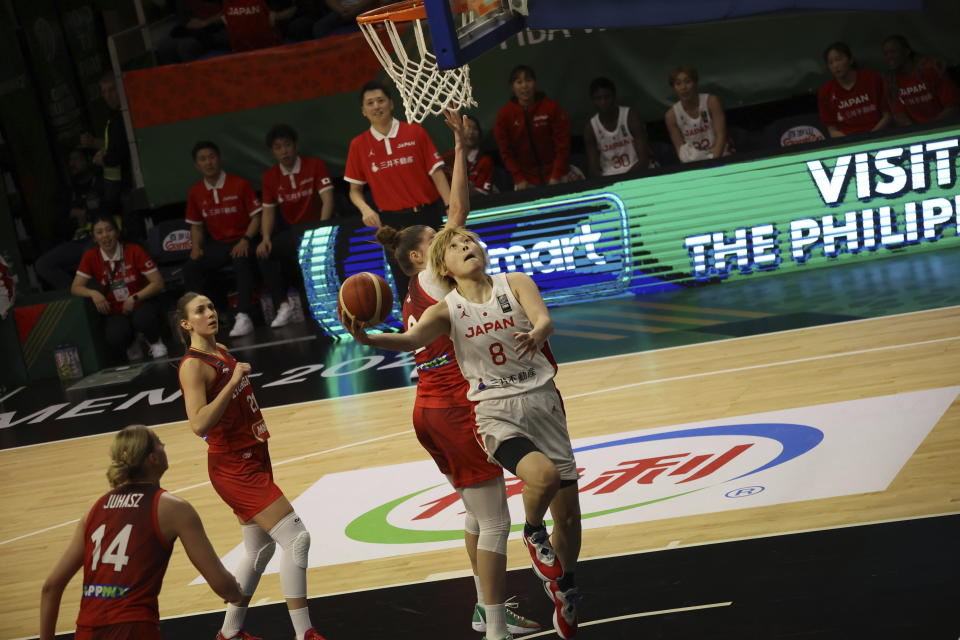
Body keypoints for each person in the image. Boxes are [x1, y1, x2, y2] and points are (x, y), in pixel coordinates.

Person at [342, 229, 583, 639]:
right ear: (443, 267)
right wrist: (367, 338)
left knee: (570, 516)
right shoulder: (447, 308)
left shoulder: (517, 282)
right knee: (539, 479)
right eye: (454, 246)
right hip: (496, 413)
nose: (465, 246)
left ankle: (565, 589)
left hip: (543, 402)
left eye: (469, 240)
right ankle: (532, 532)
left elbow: (543, 318)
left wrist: (540, 331)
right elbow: (411, 339)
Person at [374, 110, 540, 640]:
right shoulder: (432, 274)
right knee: (495, 519)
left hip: (428, 409)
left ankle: (482, 605)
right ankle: (494, 624)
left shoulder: (417, 291)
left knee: (476, 511)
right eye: (441, 239)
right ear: (424, 255)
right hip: (455, 406)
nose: (454, 238)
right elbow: (459, 207)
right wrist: (458, 146)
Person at [176, 291, 325, 640]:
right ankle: (304, 633)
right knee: (297, 538)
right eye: (200, 310)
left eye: (211, 306)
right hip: (234, 466)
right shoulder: (193, 365)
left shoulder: (221, 351)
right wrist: (230, 383)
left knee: (259, 548)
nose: (209, 313)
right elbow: (198, 424)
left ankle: (229, 633)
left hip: (255, 455)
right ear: (186, 324)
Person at [39, 425, 243, 640]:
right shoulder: (173, 509)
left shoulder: (94, 509)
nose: (164, 445)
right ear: (152, 458)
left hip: (86, 630)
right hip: (133, 629)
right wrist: (234, 592)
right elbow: (221, 584)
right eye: (158, 442)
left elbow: (50, 587)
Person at [344, 81, 450, 299]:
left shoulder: (415, 132)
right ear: (363, 111)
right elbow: (354, 191)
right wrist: (365, 209)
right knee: (406, 283)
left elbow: (437, 174)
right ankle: (417, 329)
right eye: (370, 103)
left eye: (380, 100)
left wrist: (450, 206)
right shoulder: (358, 145)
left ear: (391, 103)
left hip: (427, 215)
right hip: (392, 223)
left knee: (444, 272)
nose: (376, 106)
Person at [257, 124, 333, 328]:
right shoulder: (269, 177)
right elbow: (268, 211)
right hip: (293, 232)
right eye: (278, 147)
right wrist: (265, 238)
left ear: (295, 146)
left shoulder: (315, 165)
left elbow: (327, 199)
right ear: (273, 152)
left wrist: (323, 229)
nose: (284, 151)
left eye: (287, 145)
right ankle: (283, 305)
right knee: (265, 253)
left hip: (318, 228)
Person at [183, 141, 262, 338]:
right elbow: (196, 226)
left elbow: (256, 217)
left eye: (211, 157)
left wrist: (245, 239)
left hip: (242, 239)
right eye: (203, 159)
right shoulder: (195, 192)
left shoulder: (240, 184)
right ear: (197, 165)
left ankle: (244, 315)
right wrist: (196, 248)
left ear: (218, 159)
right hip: (217, 244)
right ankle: (206, 318)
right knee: (192, 267)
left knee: (241, 260)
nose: (208, 162)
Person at [71, 213, 168, 361]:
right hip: (115, 309)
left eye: (109, 230)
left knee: (144, 319)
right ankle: (131, 343)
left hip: (141, 302)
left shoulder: (134, 250)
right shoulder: (91, 256)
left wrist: (135, 297)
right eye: (99, 232)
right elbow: (75, 288)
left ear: (117, 232)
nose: (105, 235)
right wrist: (93, 294)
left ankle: (155, 341)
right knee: (115, 335)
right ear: (94, 237)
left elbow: (158, 283)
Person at [493, 65, 583, 190]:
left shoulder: (551, 107)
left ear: (535, 83)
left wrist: (556, 176)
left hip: (558, 174)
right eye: (519, 82)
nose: (524, 86)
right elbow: (505, 152)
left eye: (528, 80)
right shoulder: (505, 114)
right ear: (512, 87)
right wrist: (519, 178)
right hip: (525, 181)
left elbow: (563, 145)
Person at [81, 72, 138, 240]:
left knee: (134, 233)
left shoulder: (124, 116)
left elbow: (117, 154)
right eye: (104, 91)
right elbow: (117, 145)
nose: (107, 95)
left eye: (111, 90)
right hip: (122, 187)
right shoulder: (116, 117)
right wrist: (94, 143)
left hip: (129, 184)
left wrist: (102, 159)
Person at [35, 149, 102, 290]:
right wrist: (73, 215)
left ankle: (100, 301)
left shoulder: (99, 181)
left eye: (76, 159)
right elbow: (59, 220)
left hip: (99, 237)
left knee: (88, 256)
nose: (72, 164)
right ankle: (80, 298)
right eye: (70, 161)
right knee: (42, 264)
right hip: (77, 241)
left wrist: (86, 214)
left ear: (87, 160)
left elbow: (110, 207)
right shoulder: (69, 191)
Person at [818, 42, 892, 138]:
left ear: (851, 60)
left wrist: (872, 136)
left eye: (838, 59)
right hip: (848, 142)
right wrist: (852, 142)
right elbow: (832, 130)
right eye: (831, 62)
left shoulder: (872, 78)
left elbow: (888, 115)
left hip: (878, 135)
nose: (835, 65)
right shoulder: (825, 91)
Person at [882, 34, 960, 126]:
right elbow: (899, 115)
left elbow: (953, 106)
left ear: (907, 51)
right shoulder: (891, 82)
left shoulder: (931, 69)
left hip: (945, 126)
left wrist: (931, 127)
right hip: (918, 132)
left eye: (893, 52)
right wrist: (917, 132)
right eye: (886, 54)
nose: (889, 56)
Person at [584, 77, 652, 178]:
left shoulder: (630, 117)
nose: (603, 102)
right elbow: (594, 170)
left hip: (637, 172)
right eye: (598, 98)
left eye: (607, 97)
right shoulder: (590, 128)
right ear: (593, 100)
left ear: (614, 96)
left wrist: (624, 180)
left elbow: (644, 160)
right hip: (609, 177)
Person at [664, 65, 733, 163]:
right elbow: (681, 150)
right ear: (674, 88)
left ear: (695, 83)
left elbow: (720, 135)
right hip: (695, 163)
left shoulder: (711, 102)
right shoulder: (671, 116)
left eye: (687, 82)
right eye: (678, 84)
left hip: (721, 157)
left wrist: (714, 163)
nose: (684, 87)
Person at [151, 0, 229, 65]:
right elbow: (168, 5)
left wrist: (205, 23)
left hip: (216, 28)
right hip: (193, 31)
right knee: (164, 47)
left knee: (186, 46)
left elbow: (229, 10)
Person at [441, 114, 497, 195]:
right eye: (466, 127)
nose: (470, 132)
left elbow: (483, 195)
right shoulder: (446, 158)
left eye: (474, 128)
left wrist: (460, 180)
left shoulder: (485, 161)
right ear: (457, 131)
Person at [221, 0, 287, 52]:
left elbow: (225, 20)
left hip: (239, 49)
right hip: (266, 47)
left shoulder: (226, 2)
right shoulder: (258, 1)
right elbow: (271, 21)